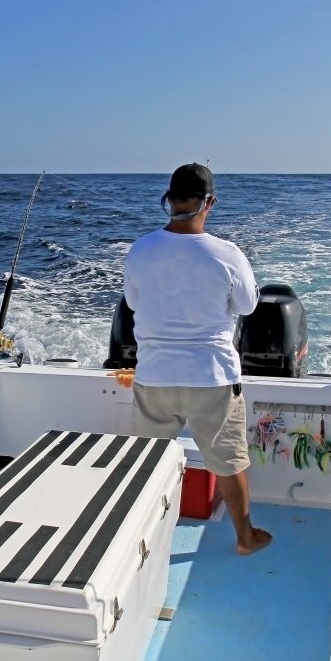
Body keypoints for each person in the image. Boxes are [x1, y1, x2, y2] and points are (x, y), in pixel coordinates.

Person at [123, 163, 272, 555]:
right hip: (212, 378)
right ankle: (245, 538)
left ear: (169, 200)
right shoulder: (228, 254)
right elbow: (248, 306)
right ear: (210, 201)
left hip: (154, 377)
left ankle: (135, 542)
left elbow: (134, 302)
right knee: (228, 461)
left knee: (145, 461)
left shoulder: (140, 249)